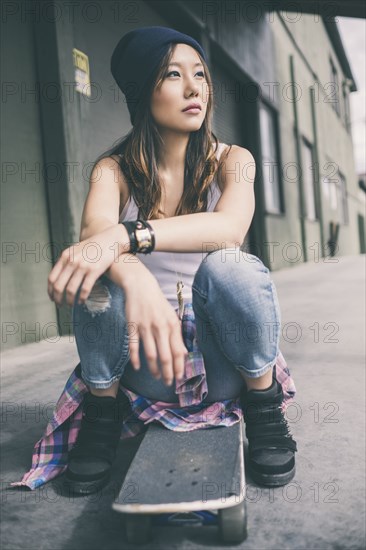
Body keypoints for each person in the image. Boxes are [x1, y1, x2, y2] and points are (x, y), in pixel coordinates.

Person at [45, 26, 297, 494]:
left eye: (199, 74)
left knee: (231, 264)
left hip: (227, 365)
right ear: (144, 92)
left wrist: (128, 236)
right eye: (172, 75)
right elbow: (91, 240)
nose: (193, 87)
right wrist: (133, 277)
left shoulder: (234, 159)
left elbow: (229, 229)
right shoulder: (113, 170)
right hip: (145, 365)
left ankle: (265, 408)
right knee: (100, 277)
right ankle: (102, 415)